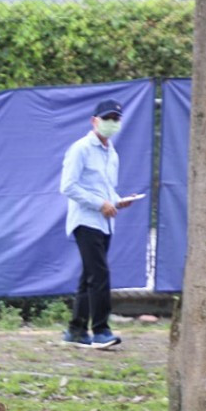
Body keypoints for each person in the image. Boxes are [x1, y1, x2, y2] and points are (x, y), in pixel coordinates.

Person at [59, 98, 135, 349]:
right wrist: (99, 204)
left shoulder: (112, 153)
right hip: (86, 220)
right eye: (107, 118)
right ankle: (101, 329)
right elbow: (68, 185)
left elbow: (106, 189)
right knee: (99, 274)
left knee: (89, 276)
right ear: (94, 121)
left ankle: (76, 330)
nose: (112, 123)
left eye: (116, 119)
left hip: (105, 222)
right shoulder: (80, 148)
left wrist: (118, 201)